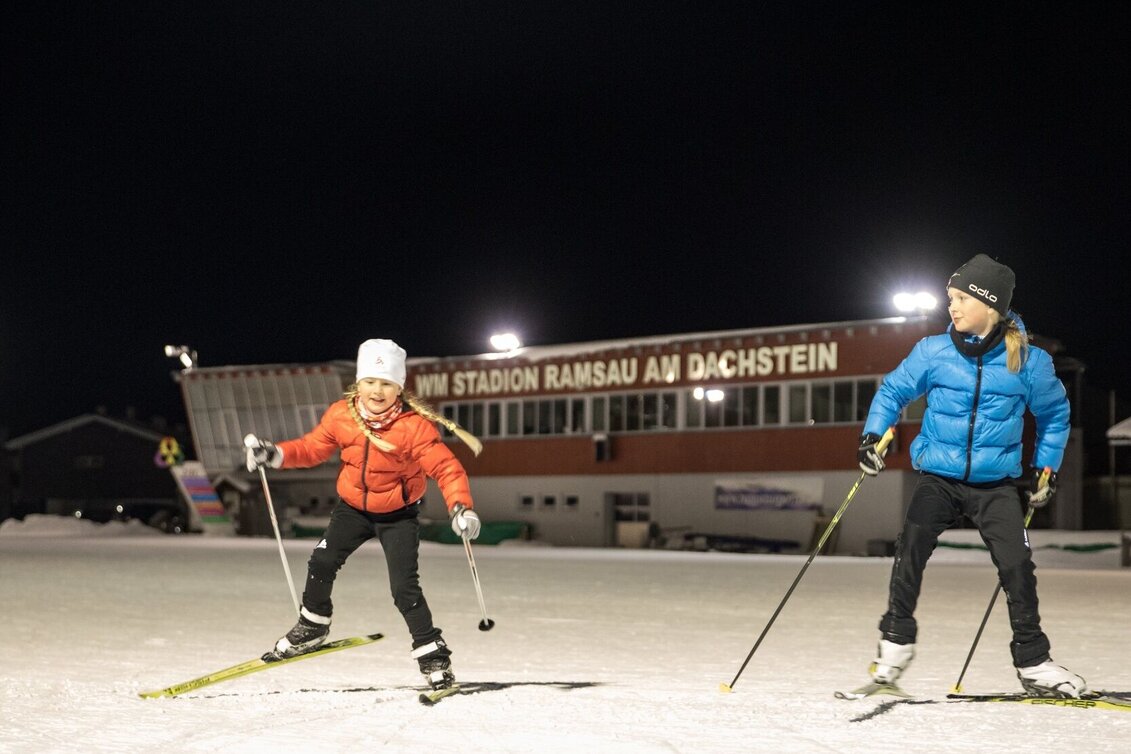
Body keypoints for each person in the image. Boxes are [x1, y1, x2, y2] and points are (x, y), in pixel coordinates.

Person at [856, 254, 1086, 698]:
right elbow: (893, 390)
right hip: (938, 478)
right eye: (950, 297)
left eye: (962, 298)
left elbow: (1055, 416)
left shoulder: (1029, 362)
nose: (952, 307)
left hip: (995, 484)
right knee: (910, 552)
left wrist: (1047, 468)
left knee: (1017, 566)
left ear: (990, 304)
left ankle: (1034, 662)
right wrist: (871, 437)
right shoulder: (933, 352)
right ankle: (893, 649)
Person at [244, 338, 483, 692]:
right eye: (370, 381)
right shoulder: (342, 416)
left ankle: (433, 656)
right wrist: (274, 454)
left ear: (398, 388)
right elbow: (311, 448)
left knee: (404, 588)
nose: (377, 390)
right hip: (352, 509)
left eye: (386, 383)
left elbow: (446, 468)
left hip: (398, 515)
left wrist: (461, 507)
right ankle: (313, 625)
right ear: (359, 383)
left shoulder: (413, 427)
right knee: (322, 561)